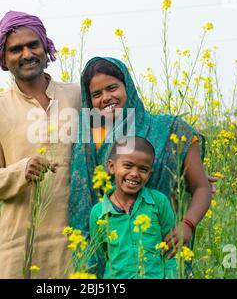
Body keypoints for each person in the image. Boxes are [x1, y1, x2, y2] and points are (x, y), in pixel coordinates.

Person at [69, 57, 212, 276]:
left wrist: (188, 225)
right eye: (96, 94)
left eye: (112, 88)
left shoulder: (170, 129)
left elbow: (201, 187)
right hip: (111, 259)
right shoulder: (84, 139)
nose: (106, 98)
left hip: (162, 252)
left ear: (129, 87)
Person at [0, 10, 80, 278]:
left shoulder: (77, 96)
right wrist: (20, 170)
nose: (26, 54)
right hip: (20, 241)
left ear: (45, 47)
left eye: (33, 45)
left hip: (75, 238)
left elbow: (116, 148)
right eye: (15, 49)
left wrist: (185, 166)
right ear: (4, 58)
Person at [89, 136, 177, 279]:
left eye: (143, 169)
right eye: (128, 166)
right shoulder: (98, 213)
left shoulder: (159, 202)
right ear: (112, 167)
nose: (134, 174)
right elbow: (101, 254)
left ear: (150, 174)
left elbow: (171, 249)